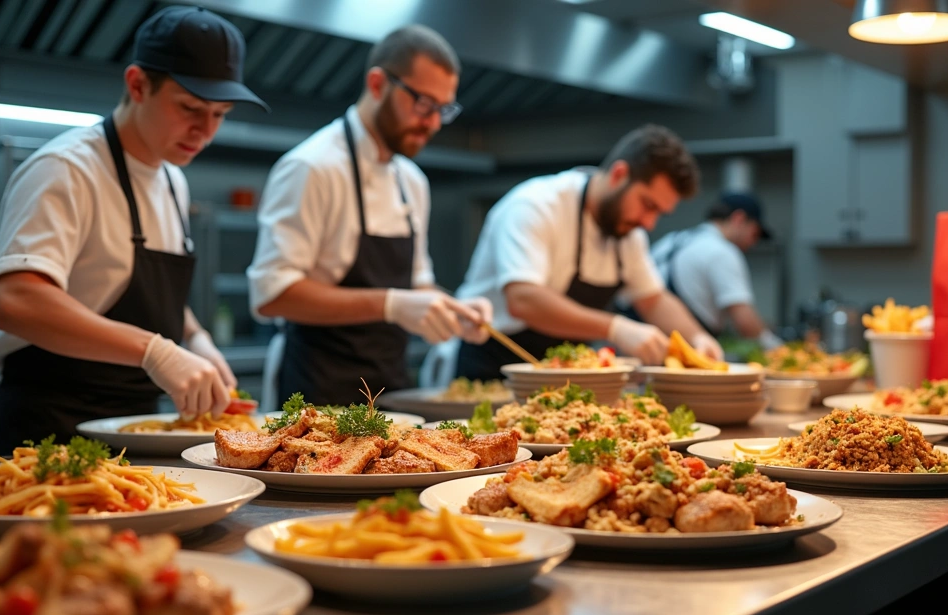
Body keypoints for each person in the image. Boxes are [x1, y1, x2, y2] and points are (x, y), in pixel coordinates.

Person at [0, 6, 268, 455]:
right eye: (191, 108)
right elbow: (15, 300)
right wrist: (157, 352)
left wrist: (195, 339)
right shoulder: (67, 169)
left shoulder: (172, 177)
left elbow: (132, 287)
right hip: (47, 433)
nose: (206, 131)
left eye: (220, 113)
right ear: (137, 84)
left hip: (134, 435)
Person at [247, 25, 491, 405]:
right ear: (377, 84)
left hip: (391, 391)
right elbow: (271, 295)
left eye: (444, 109)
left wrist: (454, 309)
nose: (434, 123)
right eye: (423, 104)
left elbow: (417, 285)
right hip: (316, 393)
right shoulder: (312, 167)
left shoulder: (412, 180)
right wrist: (391, 304)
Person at [450, 124, 723, 382]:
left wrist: (696, 338)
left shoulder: (628, 233)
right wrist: (616, 328)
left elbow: (653, 300)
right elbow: (523, 299)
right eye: (647, 205)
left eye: (658, 213)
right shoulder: (535, 206)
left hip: (564, 376)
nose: (649, 223)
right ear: (619, 175)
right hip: (494, 372)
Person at [651, 193, 783, 349]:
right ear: (739, 219)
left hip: (638, 342)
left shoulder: (672, 239)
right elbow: (746, 324)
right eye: (754, 234)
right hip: (672, 348)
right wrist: (778, 349)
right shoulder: (723, 252)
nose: (752, 243)